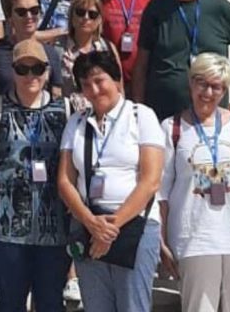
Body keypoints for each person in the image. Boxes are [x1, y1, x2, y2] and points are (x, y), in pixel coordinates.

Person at [57, 51, 164, 312]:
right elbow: (65, 181)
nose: (94, 90)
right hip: (88, 225)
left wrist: (110, 229)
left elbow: (150, 181)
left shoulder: (141, 116)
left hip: (133, 225)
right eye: (86, 84)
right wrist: (92, 223)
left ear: (116, 79)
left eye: (99, 81)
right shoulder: (76, 122)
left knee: (133, 306)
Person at [0, 39, 71, 311]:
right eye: (22, 69)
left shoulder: (65, 110)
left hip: (54, 225)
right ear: (12, 71)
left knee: (51, 301)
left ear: (47, 71)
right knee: (10, 301)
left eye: (37, 69)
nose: (30, 76)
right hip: (7, 224)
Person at [159, 53, 230, 312]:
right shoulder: (172, 128)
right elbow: (161, 192)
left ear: (225, 89)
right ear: (191, 83)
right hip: (195, 239)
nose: (208, 93)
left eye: (217, 86)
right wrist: (161, 239)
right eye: (202, 83)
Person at [0, 0, 63, 101]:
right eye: (21, 12)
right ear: (10, 17)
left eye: (34, 10)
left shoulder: (51, 53)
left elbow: (56, 96)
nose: (29, 16)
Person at [62, 0, 121, 113]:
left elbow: (118, 87)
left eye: (92, 14)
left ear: (99, 20)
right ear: (72, 16)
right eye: (80, 12)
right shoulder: (58, 48)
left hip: (105, 114)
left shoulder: (107, 47)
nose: (86, 18)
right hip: (70, 115)